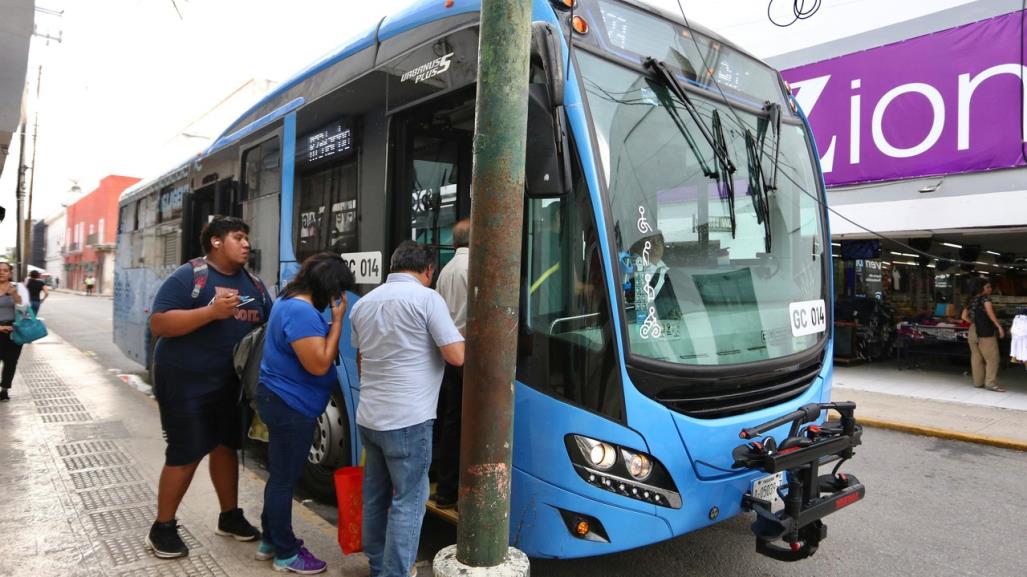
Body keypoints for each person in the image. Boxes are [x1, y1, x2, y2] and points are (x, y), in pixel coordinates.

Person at [146, 216, 270, 558]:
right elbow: (158, 323)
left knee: (226, 447)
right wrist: (210, 313)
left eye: (246, 238)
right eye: (238, 237)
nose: (246, 244)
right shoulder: (191, 276)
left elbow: (269, 327)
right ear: (216, 241)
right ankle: (162, 528)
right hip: (184, 382)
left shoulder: (255, 286)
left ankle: (230, 516)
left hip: (230, 385)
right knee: (186, 453)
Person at [349, 241, 465, 577]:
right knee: (408, 501)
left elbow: (362, 360)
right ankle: (395, 572)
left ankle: (377, 564)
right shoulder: (428, 300)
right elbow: (456, 357)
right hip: (409, 421)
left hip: (370, 417)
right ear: (428, 270)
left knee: (375, 495)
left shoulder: (364, 304)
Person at [255, 252, 354, 574]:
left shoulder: (288, 301)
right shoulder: (300, 311)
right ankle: (285, 552)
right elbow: (319, 362)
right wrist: (338, 322)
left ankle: (270, 539)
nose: (338, 299)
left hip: (281, 400)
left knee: (280, 475)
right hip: (290, 405)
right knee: (285, 479)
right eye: (338, 291)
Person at [432, 219, 469, 509]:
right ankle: (466, 493)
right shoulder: (478, 267)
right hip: (471, 355)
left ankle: (445, 490)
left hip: (448, 352)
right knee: (472, 426)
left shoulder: (444, 271)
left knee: (451, 421)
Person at [961, 278, 1005, 392]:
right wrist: (999, 327)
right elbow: (991, 315)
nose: (990, 289)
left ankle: (978, 382)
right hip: (985, 332)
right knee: (992, 358)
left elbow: (963, 317)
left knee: (976, 357)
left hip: (972, 331)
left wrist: (975, 322)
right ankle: (990, 383)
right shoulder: (985, 298)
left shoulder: (970, 299)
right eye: (988, 287)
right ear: (981, 288)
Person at [0, 262, 29, 402]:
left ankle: (4, 390)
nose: (2, 272)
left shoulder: (18, 287)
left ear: (10, 273)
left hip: (13, 331)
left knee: (10, 361)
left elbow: (24, 310)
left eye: (5, 270)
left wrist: (15, 295)